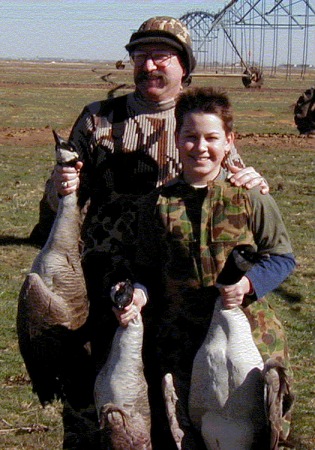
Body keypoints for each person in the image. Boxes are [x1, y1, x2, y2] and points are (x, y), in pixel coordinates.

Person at [29, 17, 269, 448]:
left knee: (175, 403)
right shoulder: (99, 118)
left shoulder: (198, 121)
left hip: (182, 291)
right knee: (101, 404)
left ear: (184, 66)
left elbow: (237, 190)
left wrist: (255, 181)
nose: (150, 65)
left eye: (162, 55)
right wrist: (60, 183)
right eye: (141, 55)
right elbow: (53, 209)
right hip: (106, 287)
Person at [123, 86, 295, 448]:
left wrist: (247, 285)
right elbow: (146, 269)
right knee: (186, 434)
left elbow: (281, 256)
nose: (201, 147)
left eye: (212, 137)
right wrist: (138, 293)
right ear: (177, 138)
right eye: (191, 136)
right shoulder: (157, 204)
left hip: (249, 340)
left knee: (258, 433)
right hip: (180, 344)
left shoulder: (249, 195)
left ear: (229, 140)